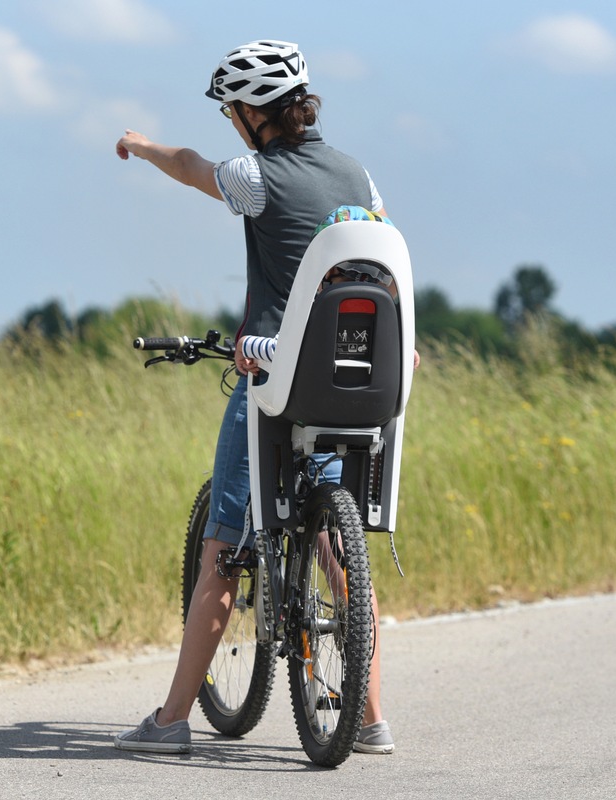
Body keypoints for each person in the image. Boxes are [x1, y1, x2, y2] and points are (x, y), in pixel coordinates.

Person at [113, 40, 396, 756]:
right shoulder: (358, 175)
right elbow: (382, 260)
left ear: (248, 113)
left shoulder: (255, 175)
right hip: (350, 387)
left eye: (231, 111)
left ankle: (172, 720)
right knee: (337, 545)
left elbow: (190, 168)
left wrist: (143, 146)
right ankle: (369, 721)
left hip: (274, 382)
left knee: (223, 549)